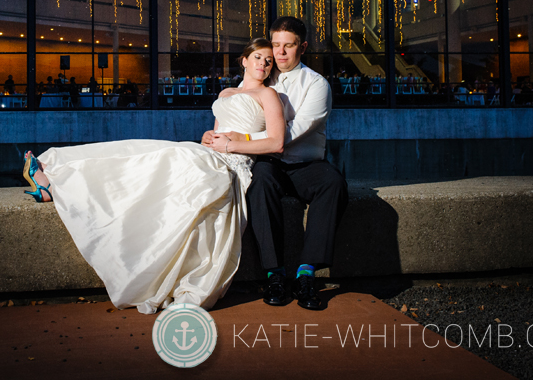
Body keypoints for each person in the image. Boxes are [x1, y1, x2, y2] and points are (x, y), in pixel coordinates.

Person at [22, 38, 285, 314]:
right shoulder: (225, 94)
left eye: (268, 61)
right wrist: (208, 136)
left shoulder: (268, 95)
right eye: (258, 58)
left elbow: (276, 142)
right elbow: (217, 133)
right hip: (213, 154)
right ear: (244, 60)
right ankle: (55, 170)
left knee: (157, 156)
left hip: (232, 163)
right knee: (142, 153)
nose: (263, 64)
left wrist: (233, 143)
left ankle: (56, 184)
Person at [203, 16, 347, 312]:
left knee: (333, 183)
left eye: (288, 46)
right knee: (261, 184)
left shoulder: (317, 85)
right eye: (275, 46)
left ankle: (306, 273)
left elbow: (293, 132)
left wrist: (239, 137)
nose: (279, 54)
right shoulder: (262, 75)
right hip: (268, 161)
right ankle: (274, 274)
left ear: (302, 47)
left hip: (304, 163)